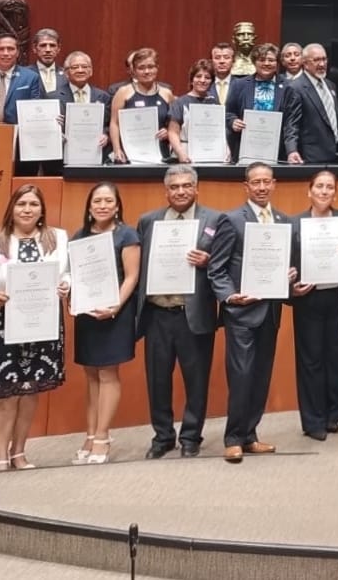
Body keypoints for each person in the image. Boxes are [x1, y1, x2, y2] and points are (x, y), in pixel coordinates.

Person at [0, 184, 71, 470]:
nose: (27, 210)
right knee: (5, 394)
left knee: (29, 391)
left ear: (42, 210)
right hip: (0, 326)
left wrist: (65, 285)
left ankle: (19, 452)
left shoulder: (58, 238)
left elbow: (69, 274)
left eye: (34, 204)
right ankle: (0, 456)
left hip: (43, 325)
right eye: (22, 204)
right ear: (11, 209)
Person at [207, 163, 295, 462]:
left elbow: (285, 265)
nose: (262, 187)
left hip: (270, 312)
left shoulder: (283, 221)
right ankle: (232, 438)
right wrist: (230, 296)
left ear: (274, 184)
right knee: (241, 375)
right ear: (246, 186)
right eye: (256, 182)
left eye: (266, 181)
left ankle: (250, 435)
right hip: (242, 314)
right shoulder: (232, 220)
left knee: (261, 375)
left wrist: (290, 275)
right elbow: (217, 268)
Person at [135, 164, 222, 459]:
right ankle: (162, 436)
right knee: (157, 379)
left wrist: (208, 260)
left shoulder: (214, 220)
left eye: (186, 186)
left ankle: (190, 436)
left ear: (196, 188)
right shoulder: (148, 221)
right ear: (166, 191)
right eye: (174, 187)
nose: (181, 191)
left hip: (193, 314)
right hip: (157, 313)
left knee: (196, 380)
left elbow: (226, 263)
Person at [69, 181, 140, 465]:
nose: (102, 205)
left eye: (108, 201)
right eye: (97, 201)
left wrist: (114, 307)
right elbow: (75, 275)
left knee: (108, 373)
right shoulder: (80, 236)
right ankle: (90, 434)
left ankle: (102, 436)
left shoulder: (127, 235)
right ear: (89, 206)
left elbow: (132, 277)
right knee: (90, 375)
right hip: (87, 315)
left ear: (117, 206)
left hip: (115, 314)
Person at [288, 169, 338, 441]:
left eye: (329, 187)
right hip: (308, 299)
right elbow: (288, 262)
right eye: (319, 186)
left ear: (335, 193)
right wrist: (292, 285)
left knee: (336, 358)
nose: (324, 191)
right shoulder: (295, 223)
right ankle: (313, 420)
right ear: (309, 191)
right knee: (310, 360)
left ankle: (333, 415)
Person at [225, 42, 305, 164]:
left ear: (277, 63)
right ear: (254, 62)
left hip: (277, 151)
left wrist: (291, 150)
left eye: (271, 60)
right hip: (245, 149)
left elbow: (291, 123)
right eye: (262, 60)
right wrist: (233, 121)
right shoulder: (239, 85)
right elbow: (228, 112)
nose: (266, 63)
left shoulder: (288, 87)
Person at [109, 48, 176, 164]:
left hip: (161, 153)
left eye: (151, 67)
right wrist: (117, 149)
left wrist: (167, 132)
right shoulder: (123, 92)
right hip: (129, 154)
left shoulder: (167, 94)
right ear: (134, 71)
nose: (146, 71)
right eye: (141, 68)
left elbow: (173, 125)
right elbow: (114, 123)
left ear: (157, 68)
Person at [296, 43, 338, 165]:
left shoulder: (331, 85)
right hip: (310, 156)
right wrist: (292, 150)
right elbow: (291, 124)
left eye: (324, 59)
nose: (322, 64)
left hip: (335, 153)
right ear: (305, 63)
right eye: (316, 60)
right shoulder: (296, 87)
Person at [166, 59, 220, 164]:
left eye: (207, 77)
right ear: (192, 80)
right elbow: (172, 132)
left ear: (212, 82)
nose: (202, 80)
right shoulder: (180, 103)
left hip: (210, 153)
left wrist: (226, 149)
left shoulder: (215, 103)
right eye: (198, 76)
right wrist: (180, 153)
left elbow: (219, 132)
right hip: (185, 153)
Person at [29, 29, 63, 96]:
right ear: (34, 48)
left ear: (58, 49)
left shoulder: (67, 75)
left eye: (52, 45)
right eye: (43, 45)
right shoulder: (25, 75)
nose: (48, 50)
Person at [209, 41, 235, 106]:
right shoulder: (206, 84)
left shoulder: (241, 85)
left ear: (233, 61)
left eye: (226, 57)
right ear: (211, 61)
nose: (222, 61)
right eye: (217, 58)